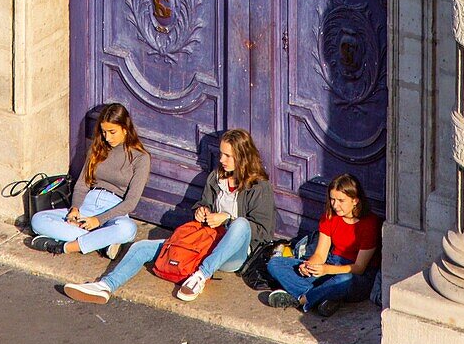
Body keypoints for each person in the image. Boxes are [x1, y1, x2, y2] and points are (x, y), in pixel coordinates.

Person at [63, 128, 276, 304]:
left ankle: (200, 277)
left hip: (233, 254)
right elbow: (204, 204)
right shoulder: (216, 177)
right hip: (204, 243)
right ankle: (105, 286)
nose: (221, 160)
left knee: (240, 224)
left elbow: (263, 234)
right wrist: (201, 211)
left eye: (228, 155)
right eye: (221, 154)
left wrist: (226, 220)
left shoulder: (259, 186)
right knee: (140, 247)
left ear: (243, 156)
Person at [29, 103, 150, 259]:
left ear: (125, 129)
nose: (107, 138)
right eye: (103, 132)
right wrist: (74, 209)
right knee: (38, 220)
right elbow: (82, 184)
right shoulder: (97, 148)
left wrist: (98, 221)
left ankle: (66, 246)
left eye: (112, 132)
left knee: (128, 229)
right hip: (88, 204)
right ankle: (102, 243)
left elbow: (131, 202)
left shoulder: (141, 158)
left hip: (114, 210)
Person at [267, 172, 381, 316]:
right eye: (332, 199)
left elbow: (359, 268)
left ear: (355, 200)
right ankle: (325, 297)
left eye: (341, 200)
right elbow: (320, 254)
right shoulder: (330, 217)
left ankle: (302, 300)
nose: (335, 205)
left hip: (356, 275)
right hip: (330, 263)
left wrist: (326, 270)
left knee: (344, 280)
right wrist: (309, 266)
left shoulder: (369, 224)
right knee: (275, 264)